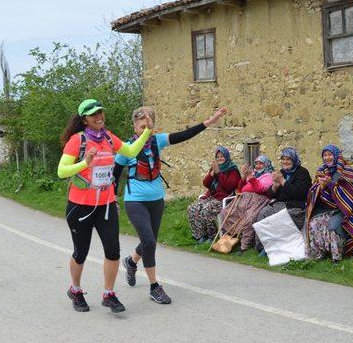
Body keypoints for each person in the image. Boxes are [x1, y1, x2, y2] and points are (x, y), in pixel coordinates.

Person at [115, 106, 227, 304]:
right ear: (134, 127)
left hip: (156, 200)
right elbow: (114, 175)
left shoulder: (157, 141)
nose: (144, 130)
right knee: (149, 241)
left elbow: (183, 135)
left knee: (149, 240)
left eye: (148, 126)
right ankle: (154, 287)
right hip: (135, 201)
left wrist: (208, 123)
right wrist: (112, 199)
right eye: (141, 126)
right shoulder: (127, 148)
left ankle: (131, 262)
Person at [57, 99, 153, 313]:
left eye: (100, 113)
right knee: (80, 252)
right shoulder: (77, 140)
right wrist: (85, 163)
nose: (99, 117)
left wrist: (146, 132)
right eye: (93, 114)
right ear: (84, 119)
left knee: (113, 251)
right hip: (80, 206)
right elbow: (62, 171)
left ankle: (108, 294)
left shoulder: (108, 138)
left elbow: (130, 151)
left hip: (106, 204)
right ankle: (75, 289)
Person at [305, 145, 353, 262]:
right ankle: (319, 254)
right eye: (325, 155)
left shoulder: (347, 171)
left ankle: (337, 258)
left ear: (336, 156)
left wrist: (330, 184)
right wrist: (321, 186)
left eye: (330, 155)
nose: (327, 158)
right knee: (313, 223)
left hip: (344, 210)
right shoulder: (321, 171)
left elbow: (349, 194)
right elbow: (312, 192)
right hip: (326, 209)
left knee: (333, 227)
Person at [254, 147, 312, 252]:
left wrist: (283, 181)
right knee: (263, 213)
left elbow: (298, 193)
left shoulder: (302, 173)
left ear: (294, 160)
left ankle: (275, 248)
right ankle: (262, 246)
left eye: (288, 159)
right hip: (280, 205)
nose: (285, 162)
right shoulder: (281, 172)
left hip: (296, 207)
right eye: (283, 159)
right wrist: (275, 186)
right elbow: (271, 195)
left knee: (277, 220)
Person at [218, 155, 274, 253]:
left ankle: (244, 246)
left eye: (261, 164)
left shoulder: (269, 176)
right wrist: (244, 177)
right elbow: (240, 188)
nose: (258, 166)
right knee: (225, 212)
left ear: (267, 165)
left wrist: (251, 177)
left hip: (258, 201)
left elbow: (259, 189)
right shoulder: (253, 174)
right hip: (243, 199)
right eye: (256, 163)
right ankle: (228, 240)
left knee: (249, 218)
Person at [187, 146, 240, 243]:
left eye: (222, 156)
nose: (219, 158)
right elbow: (206, 184)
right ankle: (200, 235)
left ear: (227, 157)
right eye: (218, 157)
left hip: (224, 199)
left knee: (207, 209)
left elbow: (229, 186)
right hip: (211, 196)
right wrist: (211, 174)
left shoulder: (233, 170)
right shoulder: (214, 168)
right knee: (193, 207)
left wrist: (219, 173)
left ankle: (212, 236)